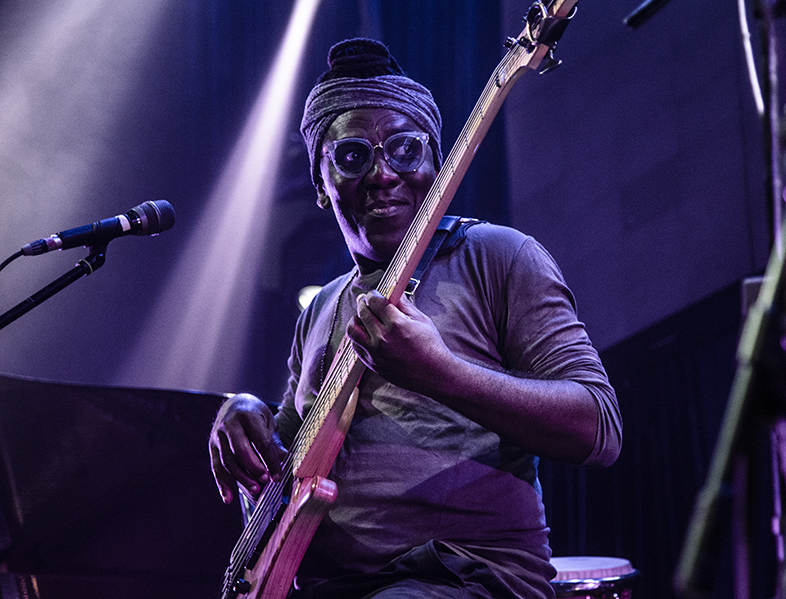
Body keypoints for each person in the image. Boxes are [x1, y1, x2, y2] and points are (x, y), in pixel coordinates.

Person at [208, 38, 622, 599]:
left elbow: (598, 430)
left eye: (405, 149)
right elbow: (291, 456)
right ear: (322, 185)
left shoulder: (498, 256)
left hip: (465, 578)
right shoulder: (322, 310)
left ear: (437, 163)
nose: (383, 174)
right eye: (353, 156)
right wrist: (243, 412)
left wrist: (439, 372)